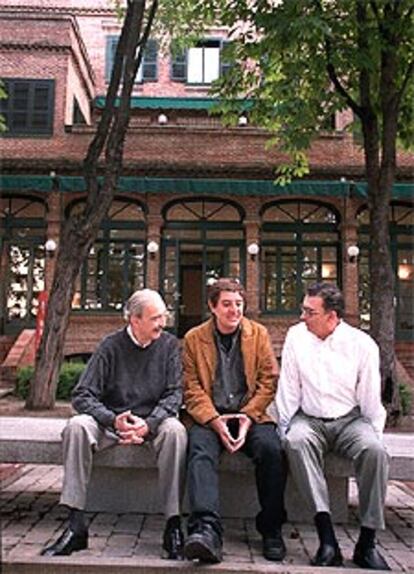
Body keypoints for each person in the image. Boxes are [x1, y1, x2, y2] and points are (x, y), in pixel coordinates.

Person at [41, 289, 187, 560]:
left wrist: (149, 423)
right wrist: (112, 420)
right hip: (111, 423)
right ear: (134, 320)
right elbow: (82, 394)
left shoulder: (168, 346)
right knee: (77, 427)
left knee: (176, 431)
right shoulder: (110, 346)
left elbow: (175, 394)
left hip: (152, 424)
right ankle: (75, 525)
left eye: (163, 317)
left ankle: (173, 525)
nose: (162, 323)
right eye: (155, 318)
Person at [276, 282, 390, 570]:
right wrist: (285, 429)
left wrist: (373, 435)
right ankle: (327, 539)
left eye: (309, 312)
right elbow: (288, 389)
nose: (302, 317)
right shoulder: (296, 337)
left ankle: (367, 542)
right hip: (309, 418)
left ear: (332, 316)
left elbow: (370, 397)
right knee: (295, 442)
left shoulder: (362, 345)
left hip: (351, 419)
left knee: (376, 451)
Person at [182, 278, 287, 564]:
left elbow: (269, 382)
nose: (234, 310)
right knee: (199, 451)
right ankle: (206, 528)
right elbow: (191, 388)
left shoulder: (259, 334)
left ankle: (271, 528)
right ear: (212, 307)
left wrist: (248, 417)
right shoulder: (193, 338)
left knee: (271, 451)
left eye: (238, 304)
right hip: (209, 416)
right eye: (227, 304)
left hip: (250, 414)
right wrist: (215, 421)